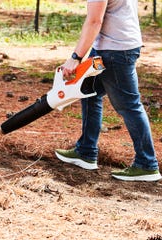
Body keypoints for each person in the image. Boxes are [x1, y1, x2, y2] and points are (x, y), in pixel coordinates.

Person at [55, 0, 161, 181]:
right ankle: (86, 151)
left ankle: (146, 164)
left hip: (115, 50)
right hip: (113, 46)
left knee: (129, 106)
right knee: (90, 93)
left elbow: (95, 21)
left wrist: (75, 57)